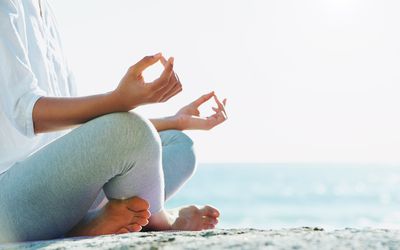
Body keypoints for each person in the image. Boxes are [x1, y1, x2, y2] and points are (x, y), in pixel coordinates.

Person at [0, 0, 228, 243]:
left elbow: (79, 132)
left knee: (179, 144)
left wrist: (175, 121)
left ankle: (91, 221)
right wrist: (120, 100)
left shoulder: (45, 11)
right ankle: (158, 219)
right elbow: (26, 114)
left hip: (57, 190)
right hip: (10, 200)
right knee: (133, 131)